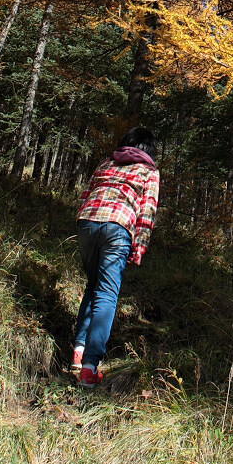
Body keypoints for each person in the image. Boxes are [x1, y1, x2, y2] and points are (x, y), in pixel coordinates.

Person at [71, 126, 160, 388]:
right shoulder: (149, 171)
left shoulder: (107, 162)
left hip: (87, 222)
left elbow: (86, 194)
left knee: (92, 285)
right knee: (107, 293)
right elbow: (147, 212)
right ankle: (89, 368)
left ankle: (79, 349)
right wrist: (139, 247)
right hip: (117, 227)